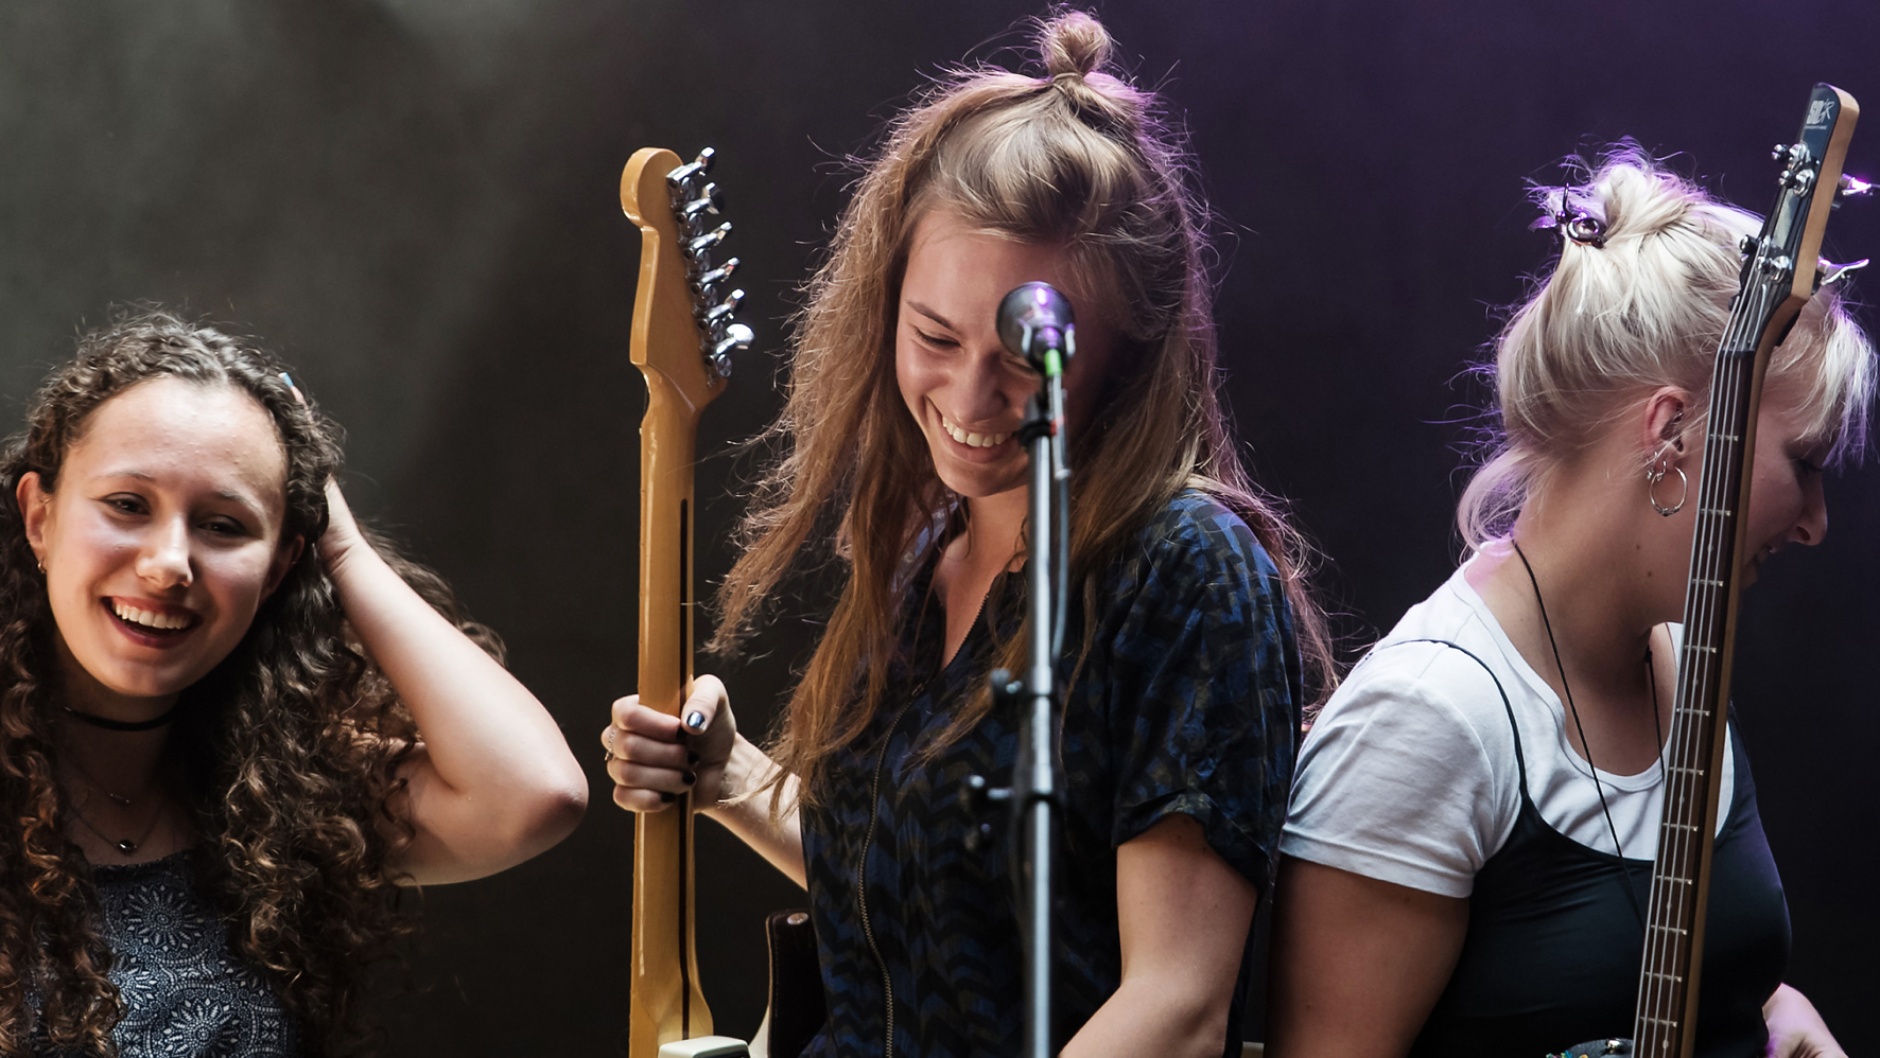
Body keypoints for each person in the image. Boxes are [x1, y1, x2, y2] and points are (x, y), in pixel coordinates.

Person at [604, 10, 1331, 1058]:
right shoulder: (926, 550)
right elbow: (928, 890)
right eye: (933, 336)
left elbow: (1174, 1007)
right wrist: (731, 780)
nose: (970, 396)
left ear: (1126, 348)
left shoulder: (1184, 569)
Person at [1269, 148, 1874, 1058]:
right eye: (1806, 464)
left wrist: (1773, 1016)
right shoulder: (1430, 719)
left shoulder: (1677, 652)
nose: (1817, 522)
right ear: (1671, 434)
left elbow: (1640, 979)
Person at [0, 309, 588, 1057]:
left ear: (279, 566)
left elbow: (534, 795)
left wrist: (339, 545)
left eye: (224, 525)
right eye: (127, 505)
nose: (169, 563)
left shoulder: (280, 801)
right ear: (39, 517)